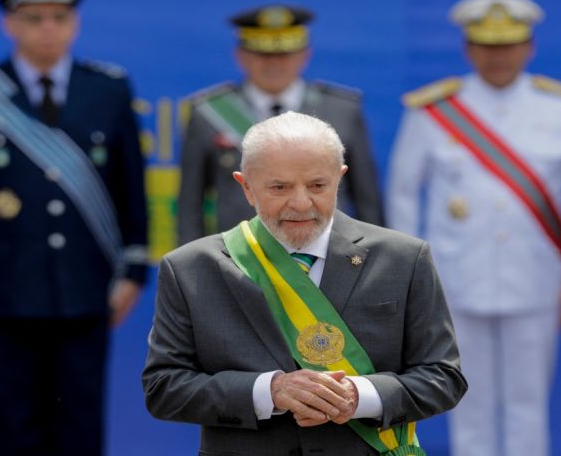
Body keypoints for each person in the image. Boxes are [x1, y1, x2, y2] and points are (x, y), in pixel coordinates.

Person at [144, 111, 466, 455]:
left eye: (317, 185)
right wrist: (270, 391)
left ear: (339, 179)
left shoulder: (403, 258)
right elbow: (164, 388)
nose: (301, 203)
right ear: (246, 187)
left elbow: (444, 378)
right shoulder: (191, 268)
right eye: (279, 187)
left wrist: (362, 398)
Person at [0, 0, 148, 456]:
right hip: (3, 288)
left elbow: (129, 185)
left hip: (86, 287)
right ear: (10, 24)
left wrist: (133, 269)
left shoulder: (108, 89)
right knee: (11, 424)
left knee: (80, 422)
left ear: (74, 23)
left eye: (58, 16)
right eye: (34, 18)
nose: (47, 28)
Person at [386, 0, 561, 456]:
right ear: (469, 49)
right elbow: (403, 194)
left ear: (528, 48)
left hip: (537, 278)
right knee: (467, 398)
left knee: (529, 400)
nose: (498, 55)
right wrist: (416, 277)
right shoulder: (432, 111)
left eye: (508, 45)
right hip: (455, 280)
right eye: (487, 45)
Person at [177, 4, 384, 245]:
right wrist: (197, 267)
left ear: (305, 55)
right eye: (262, 54)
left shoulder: (341, 110)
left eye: (284, 54)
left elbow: (366, 197)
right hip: (242, 259)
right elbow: (190, 203)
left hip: (327, 256)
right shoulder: (209, 113)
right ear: (241, 56)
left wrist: (372, 258)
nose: (273, 64)